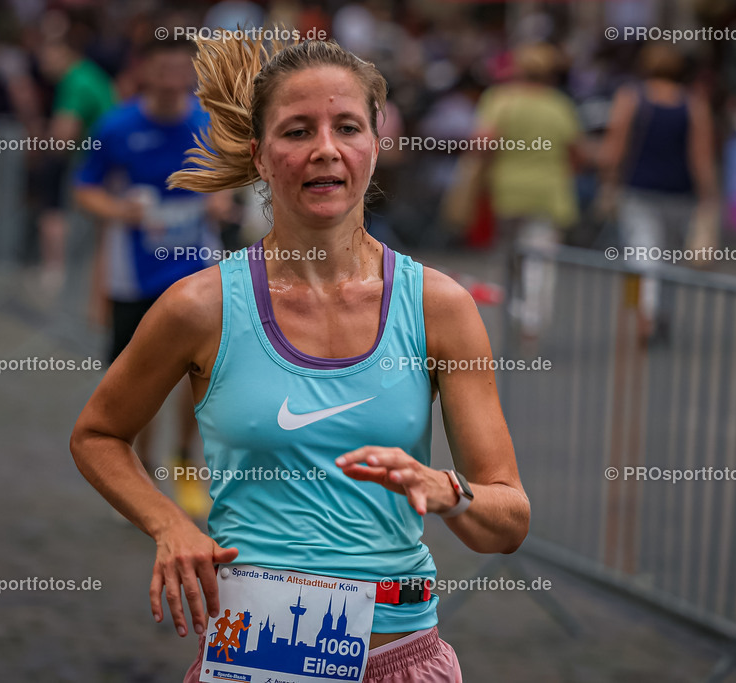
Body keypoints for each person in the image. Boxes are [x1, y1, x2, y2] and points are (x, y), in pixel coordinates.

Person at [69, 37, 529, 683]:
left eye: (347, 127)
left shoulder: (439, 306)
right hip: (257, 656)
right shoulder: (200, 305)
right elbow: (98, 433)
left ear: (375, 144)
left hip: (401, 654)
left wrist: (447, 490)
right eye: (296, 130)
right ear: (258, 153)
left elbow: (506, 522)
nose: (325, 148)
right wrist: (169, 525)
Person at [73, 37, 231, 519]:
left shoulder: (208, 123)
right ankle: (138, 468)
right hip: (133, 274)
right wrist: (119, 210)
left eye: (180, 69)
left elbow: (230, 180)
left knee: (199, 372)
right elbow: (85, 189)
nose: (171, 79)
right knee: (134, 379)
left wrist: (221, 198)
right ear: (146, 71)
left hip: (196, 266)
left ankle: (185, 460)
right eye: (162, 68)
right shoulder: (117, 126)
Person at [601, 42, 717, 340]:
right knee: (670, 257)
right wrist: (709, 195)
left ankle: (645, 314)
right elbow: (701, 154)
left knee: (642, 253)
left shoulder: (631, 97)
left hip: (638, 190)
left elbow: (616, 145)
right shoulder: (692, 102)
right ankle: (659, 312)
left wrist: (609, 181)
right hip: (680, 192)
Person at [473, 42, 584, 336]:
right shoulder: (559, 104)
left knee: (508, 259)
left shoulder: (500, 99)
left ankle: (511, 311)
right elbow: (575, 152)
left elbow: (483, 143)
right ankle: (531, 322)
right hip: (548, 192)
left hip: (506, 190)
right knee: (540, 261)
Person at [34, 12, 118, 296]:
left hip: (93, 167)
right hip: (106, 164)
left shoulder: (75, 80)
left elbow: (61, 138)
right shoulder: (89, 74)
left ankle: (58, 278)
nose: (41, 61)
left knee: (57, 212)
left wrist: (37, 144)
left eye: (46, 53)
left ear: (63, 51)